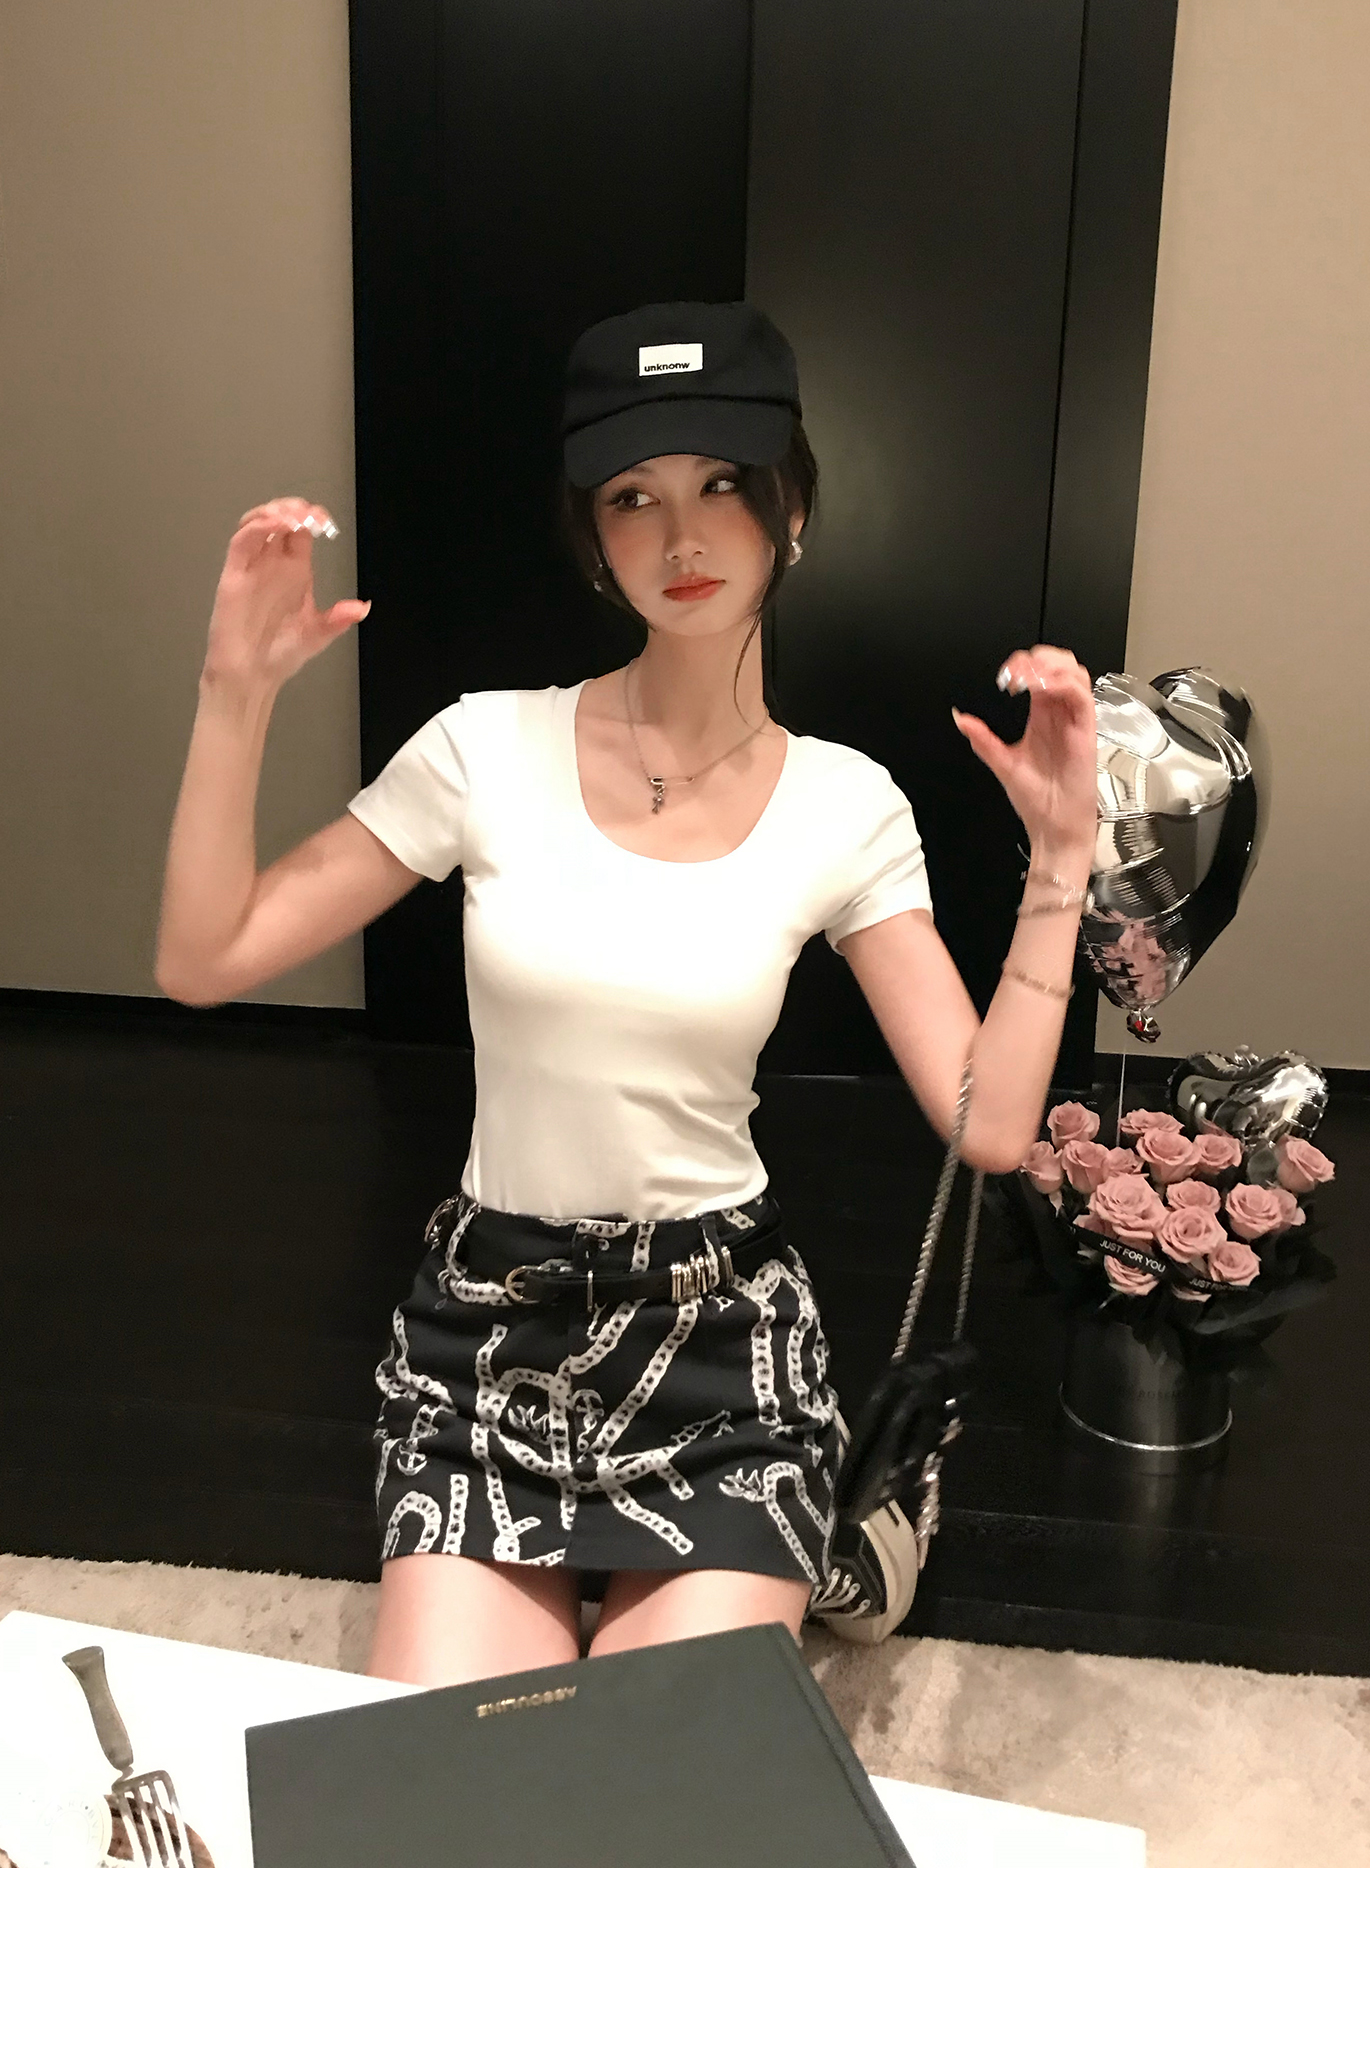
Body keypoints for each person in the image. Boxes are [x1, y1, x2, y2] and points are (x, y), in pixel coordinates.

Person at [155, 298, 1098, 1688]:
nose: (682, 537)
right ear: (594, 537)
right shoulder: (484, 749)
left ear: (791, 510)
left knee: (666, 1772)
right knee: (460, 1768)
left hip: (716, 1340)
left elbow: (991, 1121)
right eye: (633, 498)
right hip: (490, 1330)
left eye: (722, 485)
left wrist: (1063, 863)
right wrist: (234, 693)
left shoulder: (845, 804)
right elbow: (204, 958)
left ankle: (810, 1516)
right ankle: (810, 1553)